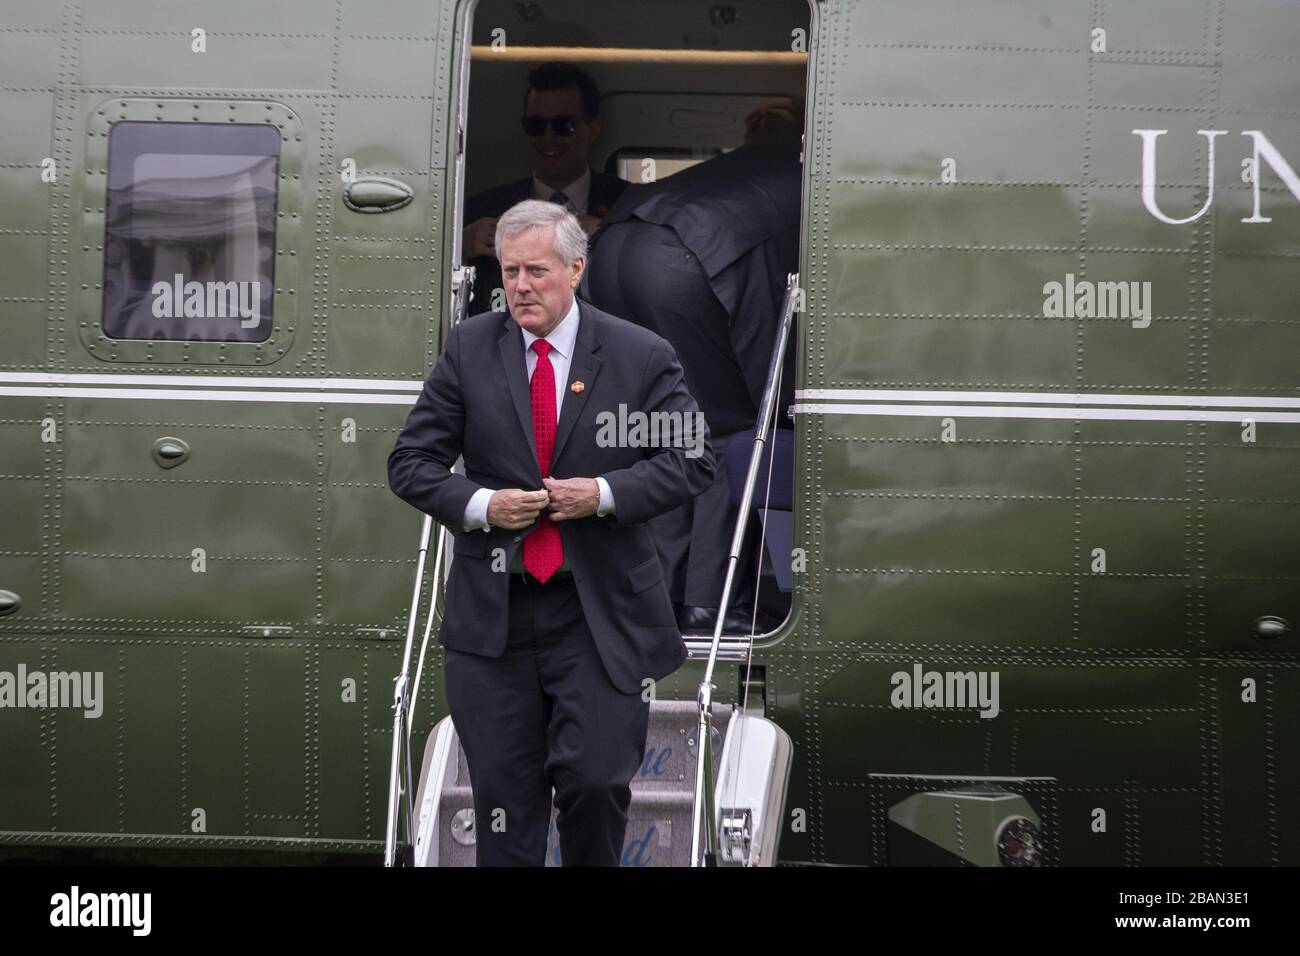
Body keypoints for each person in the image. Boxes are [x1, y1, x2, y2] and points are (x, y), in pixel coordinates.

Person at [388, 200, 714, 866]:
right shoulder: (470, 348)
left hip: (596, 614)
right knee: (505, 811)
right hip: (494, 619)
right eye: (509, 272)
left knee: (594, 786)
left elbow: (692, 458)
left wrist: (604, 493)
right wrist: (481, 505)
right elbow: (411, 464)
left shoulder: (638, 354)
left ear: (576, 269)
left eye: (535, 271)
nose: (520, 287)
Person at [581, 97, 803, 634]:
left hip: (611, 247)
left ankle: (653, 596)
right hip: (688, 262)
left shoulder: (746, 169)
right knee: (733, 432)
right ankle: (709, 605)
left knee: (666, 431)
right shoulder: (810, 172)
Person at [462, 61, 629, 312]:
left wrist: (610, 236)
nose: (548, 138)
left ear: (593, 128)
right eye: (536, 126)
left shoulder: (627, 205)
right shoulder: (482, 210)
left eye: (564, 126)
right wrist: (460, 250)